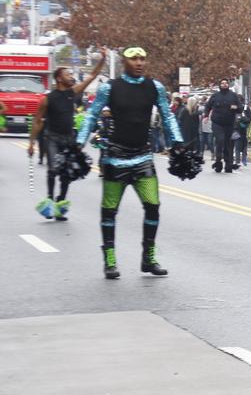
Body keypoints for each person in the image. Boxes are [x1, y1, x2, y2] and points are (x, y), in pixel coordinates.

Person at [76, 47, 182, 279]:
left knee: (153, 206)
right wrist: (78, 142)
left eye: (143, 58)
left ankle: (148, 257)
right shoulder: (109, 88)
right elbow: (92, 116)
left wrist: (177, 142)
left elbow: (167, 115)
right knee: (109, 210)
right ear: (124, 62)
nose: (139, 63)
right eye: (134, 59)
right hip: (115, 158)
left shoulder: (155, 87)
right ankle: (110, 260)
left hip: (143, 158)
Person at [28, 48, 108, 220]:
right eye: (68, 74)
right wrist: (32, 143)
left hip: (68, 138)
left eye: (71, 74)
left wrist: (103, 59)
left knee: (67, 173)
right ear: (59, 78)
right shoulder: (47, 99)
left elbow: (92, 75)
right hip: (52, 138)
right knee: (53, 170)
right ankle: (49, 199)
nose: (71, 77)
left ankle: (60, 202)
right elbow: (37, 121)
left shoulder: (73, 93)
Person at [204, 78, 241, 172]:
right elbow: (208, 106)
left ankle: (228, 165)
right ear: (220, 85)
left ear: (228, 85)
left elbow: (240, 108)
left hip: (229, 123)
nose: (224, 84)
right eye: (222, 83)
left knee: (227, 143)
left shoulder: (233, 96)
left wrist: (235, 107)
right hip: (217, 123)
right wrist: (206, 116)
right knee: (220, 140)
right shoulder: (215, 96)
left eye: (226, 83)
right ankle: (218, 162)